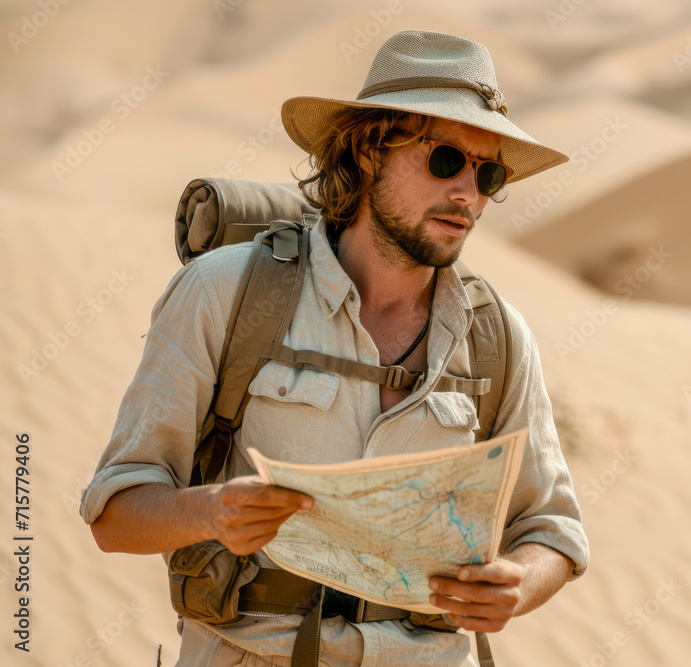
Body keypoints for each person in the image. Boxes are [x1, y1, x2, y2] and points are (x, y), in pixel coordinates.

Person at [81, 30, 589, 666]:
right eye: (445, 160)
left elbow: (552, 530)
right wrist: (208, 512)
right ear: (369, 150)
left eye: (488, 173)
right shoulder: (225, 293)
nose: (468, 192)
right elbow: (115, 513)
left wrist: (517, 585)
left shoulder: (500, 337)